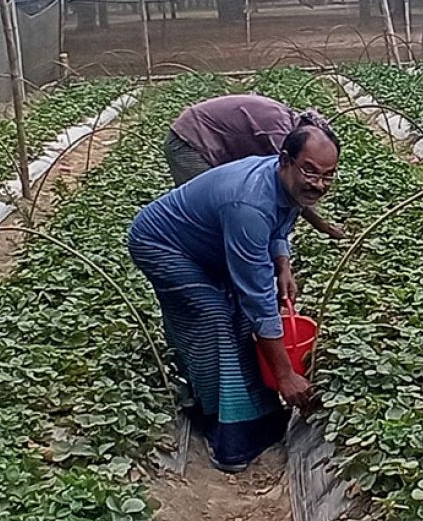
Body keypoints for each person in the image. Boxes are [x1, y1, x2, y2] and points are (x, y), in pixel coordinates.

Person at [128, 113, 340, 472]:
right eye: (310, 171)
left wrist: (283, 265)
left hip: (203, 243)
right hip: (160, 243)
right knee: (216, 320)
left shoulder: (283, 183)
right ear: (285, 160)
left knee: (241, 318)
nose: (318, 183)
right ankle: (227, 432)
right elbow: (257, 298)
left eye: (328, 175)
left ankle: (249, 407)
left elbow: (280, 224)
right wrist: (286, 374)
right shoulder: (249, 206)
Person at [166, 94, 346, 239]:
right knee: (207, 212)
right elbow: (287, 188)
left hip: (209, 142)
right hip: (188, 140)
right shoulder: (281, 135)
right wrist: (323, 226)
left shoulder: (287, 124)